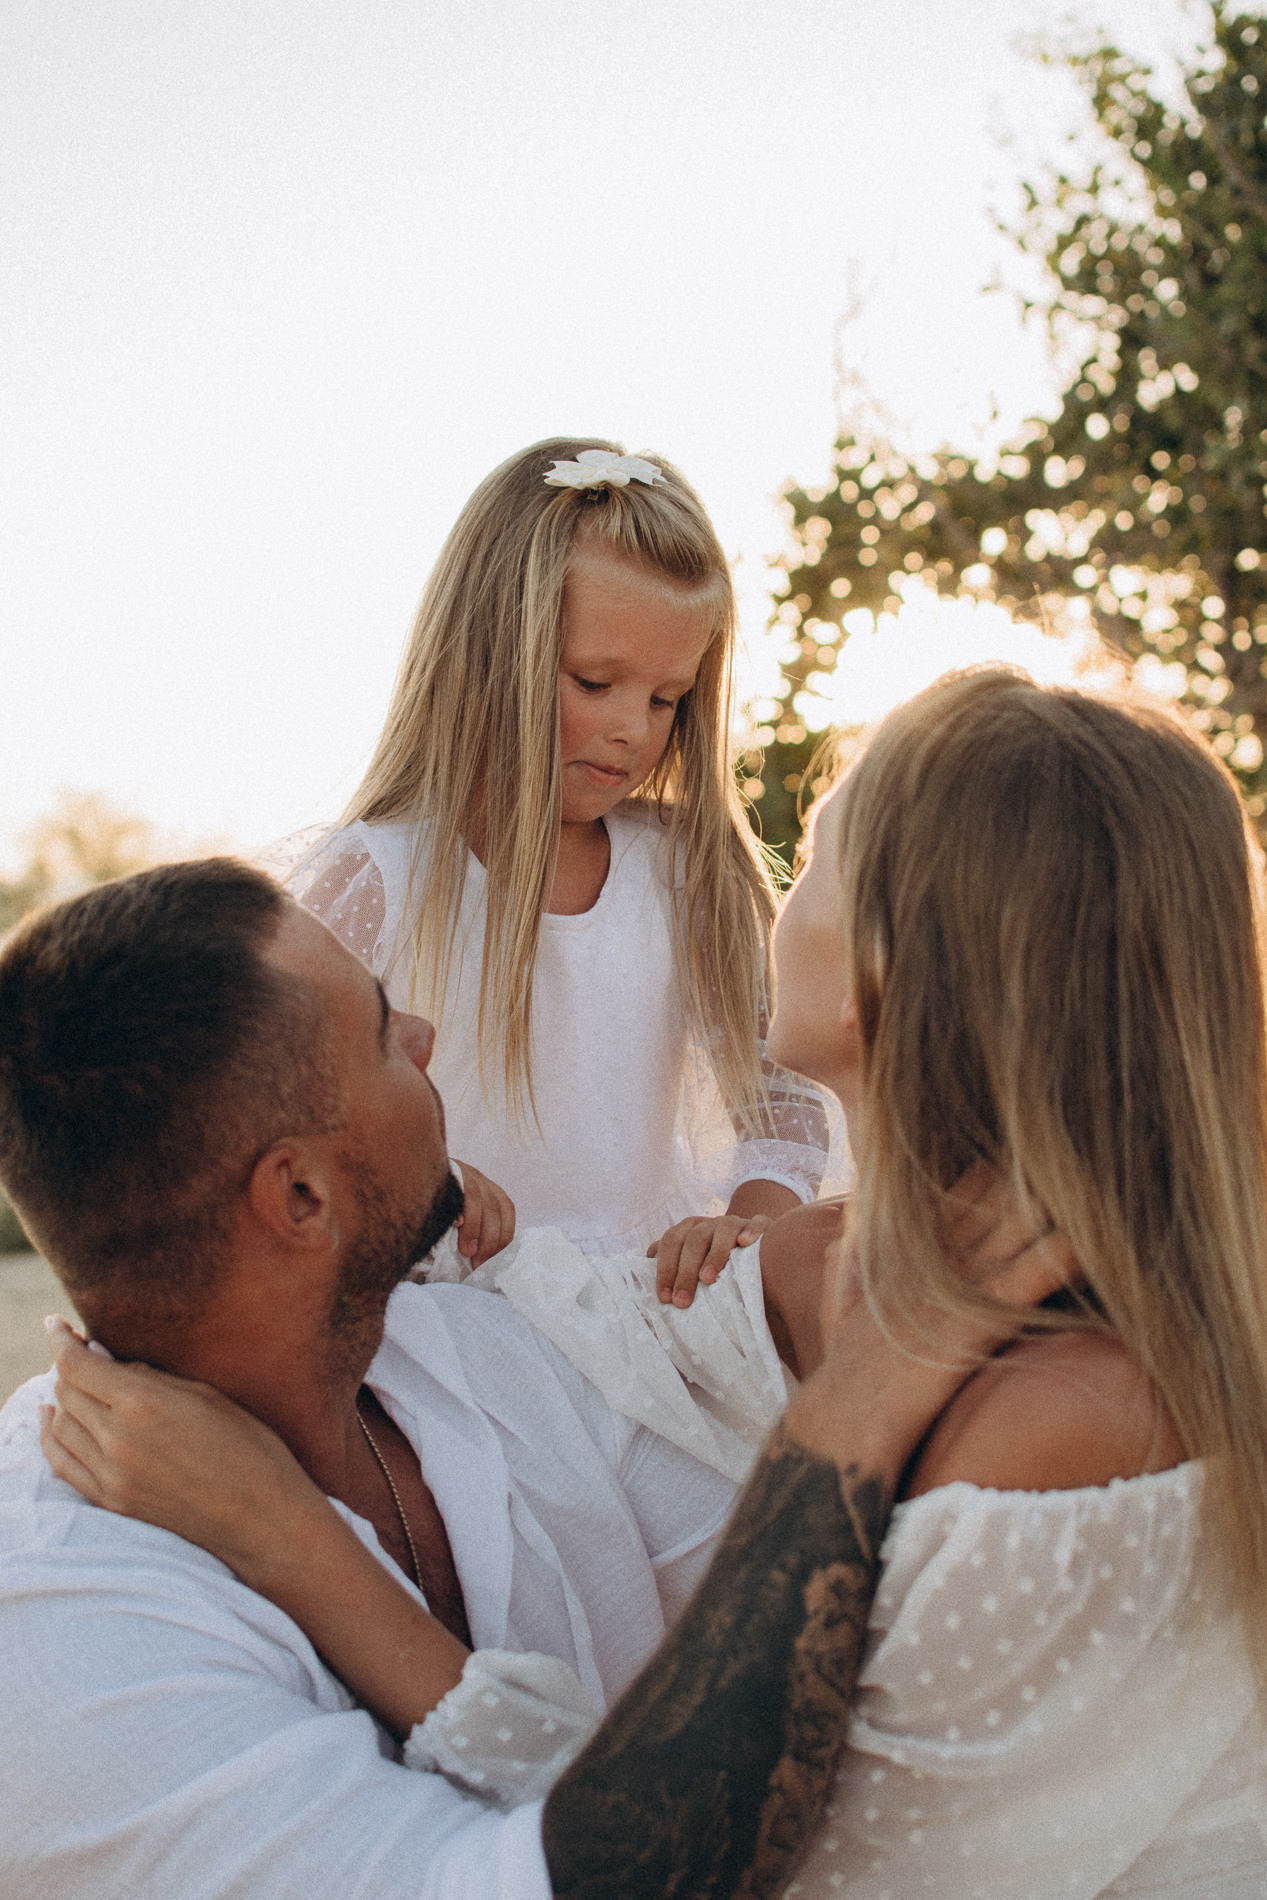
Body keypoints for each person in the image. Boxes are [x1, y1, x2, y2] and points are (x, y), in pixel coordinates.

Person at [49, 667, 1267, 1894]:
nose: (423, 1035)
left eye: (814, 855)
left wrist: (302, 1548)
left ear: (878, 967)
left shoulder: (1059, 1417)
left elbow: (736, 1871)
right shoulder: (843, 1268)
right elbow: (608, 1333)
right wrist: (445, 1236)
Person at [0, 853, 1054, 1900]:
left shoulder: (462, 1338)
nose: (425, 1036)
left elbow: (725, 1331)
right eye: (383, 1033)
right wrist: (854, 1414)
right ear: (302, 1198)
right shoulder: (71, 1648)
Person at [287, 437, 842, 1296]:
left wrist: (745, 1226)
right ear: (487, 651)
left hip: (646, 1301)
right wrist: (422, 1180)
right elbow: (284, 1114)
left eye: (666, 698)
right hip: (452, 1308)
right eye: (593, 682)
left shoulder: (681, 875)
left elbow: (780, 1099)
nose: (633, 729)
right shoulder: (379, 879)